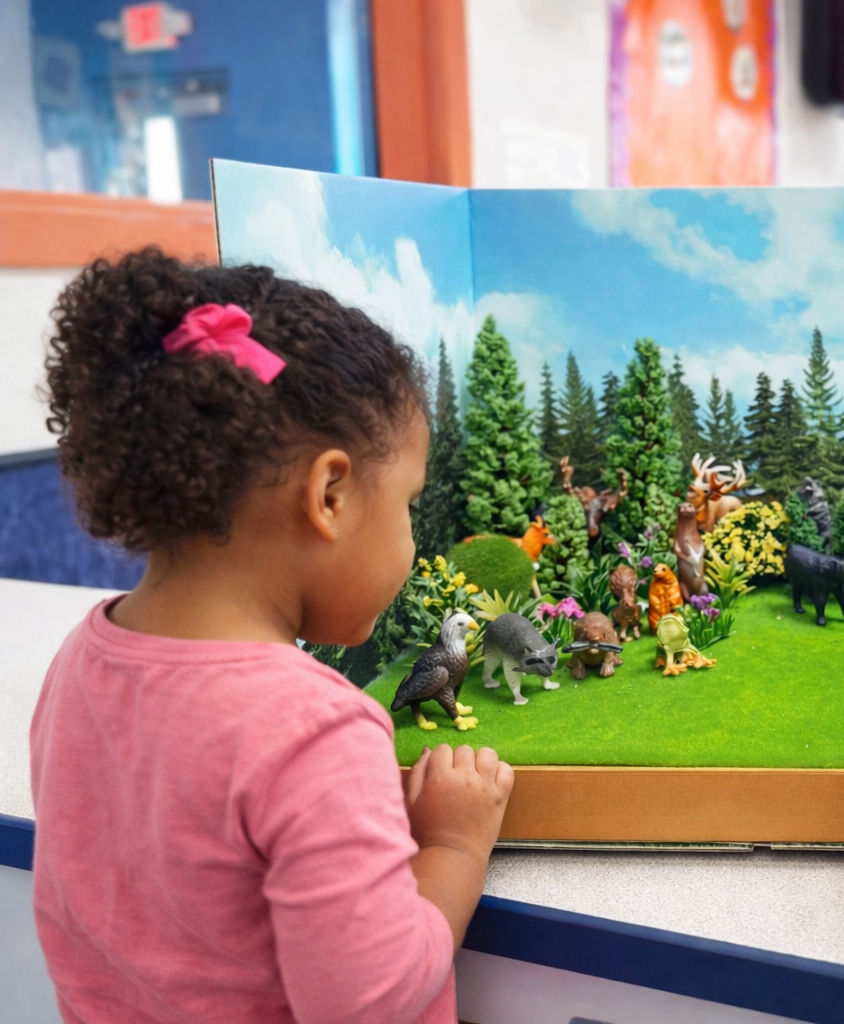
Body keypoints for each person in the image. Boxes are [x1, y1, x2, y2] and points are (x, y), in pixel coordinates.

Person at [30, 248, 513, 1024]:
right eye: (410, 508)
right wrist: (454, 848)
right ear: (330, 494)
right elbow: (371, 1002)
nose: (414, 543)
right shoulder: (315, 729)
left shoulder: (80, 661)